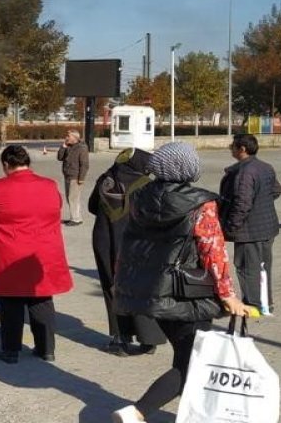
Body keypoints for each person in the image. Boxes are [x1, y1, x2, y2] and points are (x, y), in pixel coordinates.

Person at [111, 142, 247, 423]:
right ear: (189, 168)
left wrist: (122, 283)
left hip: (151, 291)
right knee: (192, 364)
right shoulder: (201, 203)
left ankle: (190, 414)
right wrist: (228, 294)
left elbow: (130, 243)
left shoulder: (141, 197)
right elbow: (213, 249)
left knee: (187, 357)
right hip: (188, 294)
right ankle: (136, 412)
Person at [0, 145, 73, 364]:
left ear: (6, 165)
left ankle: (11, 350)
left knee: (10, 302)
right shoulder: (49, 185)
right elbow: (57, 207)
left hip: (9, 253)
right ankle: (46, 349)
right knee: (42, 299)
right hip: (42, 253)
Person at [87, 147, 165, 356]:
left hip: (106, 239)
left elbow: (92, 206)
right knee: (141, 287)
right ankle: (149, 339)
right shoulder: (147, 185)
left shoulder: (106, 179)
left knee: (112, 286)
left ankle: (120, 338)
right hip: (137, 241)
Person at [218, 133, 281, 315]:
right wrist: (261, 203)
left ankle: (254, 304)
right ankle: (266, 303)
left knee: (248, 268)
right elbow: (276, 190)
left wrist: (230, 227)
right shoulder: (265, 167)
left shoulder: (244, 172)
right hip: (267, 227)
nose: (231, 148)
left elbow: (242, 204)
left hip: (249, 230)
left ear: (242, 149)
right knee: (263, 267)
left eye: (233, 145)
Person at [56, 129, 89, 225]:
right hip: (67, 174)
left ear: (75, 138)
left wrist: (81, 178)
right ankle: (75, 217)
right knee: (70, 197)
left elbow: (84, 164)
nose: (66, 138)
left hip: (75, 176)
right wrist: (63, 146)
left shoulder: (82, 148)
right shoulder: (68, 146)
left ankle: (75, 219)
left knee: (73, 198)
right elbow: (60, 158)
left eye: (68, 136)